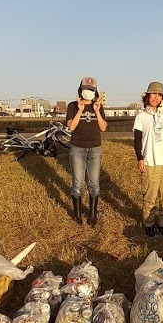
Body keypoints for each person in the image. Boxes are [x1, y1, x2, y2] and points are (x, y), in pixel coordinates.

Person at [133, 81, 163, 238]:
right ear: (147, 96)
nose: (156, 97)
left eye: (159, 95)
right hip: (150, 162)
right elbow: (137, 139)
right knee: (150, 196)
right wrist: (140, 158)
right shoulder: (141, 116)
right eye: (153, 94)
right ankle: (149, 224)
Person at [65, 76, 107, 226]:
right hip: (77, 149)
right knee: (78, 183)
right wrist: (80, 110)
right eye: (85, 89)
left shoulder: (98, 106)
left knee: (94, 183)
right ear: (80, 89)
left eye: (91, 89)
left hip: (95, 148)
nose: (88, 91)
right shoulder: (72, 105)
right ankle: (77, 214)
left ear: (95, 91)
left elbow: (103, 127)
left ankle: (93, 214)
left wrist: (96, 111)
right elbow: (71, 127)